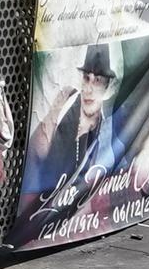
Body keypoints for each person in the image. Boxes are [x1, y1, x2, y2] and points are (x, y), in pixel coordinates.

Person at [23, 44, 123, 208]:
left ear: (106, 85)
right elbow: (35, 154)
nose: (89, 89)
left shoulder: (106, 130)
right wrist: (55, 111)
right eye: (86, 78)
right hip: (43, 206)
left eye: (97, 81)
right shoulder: (65, 109)